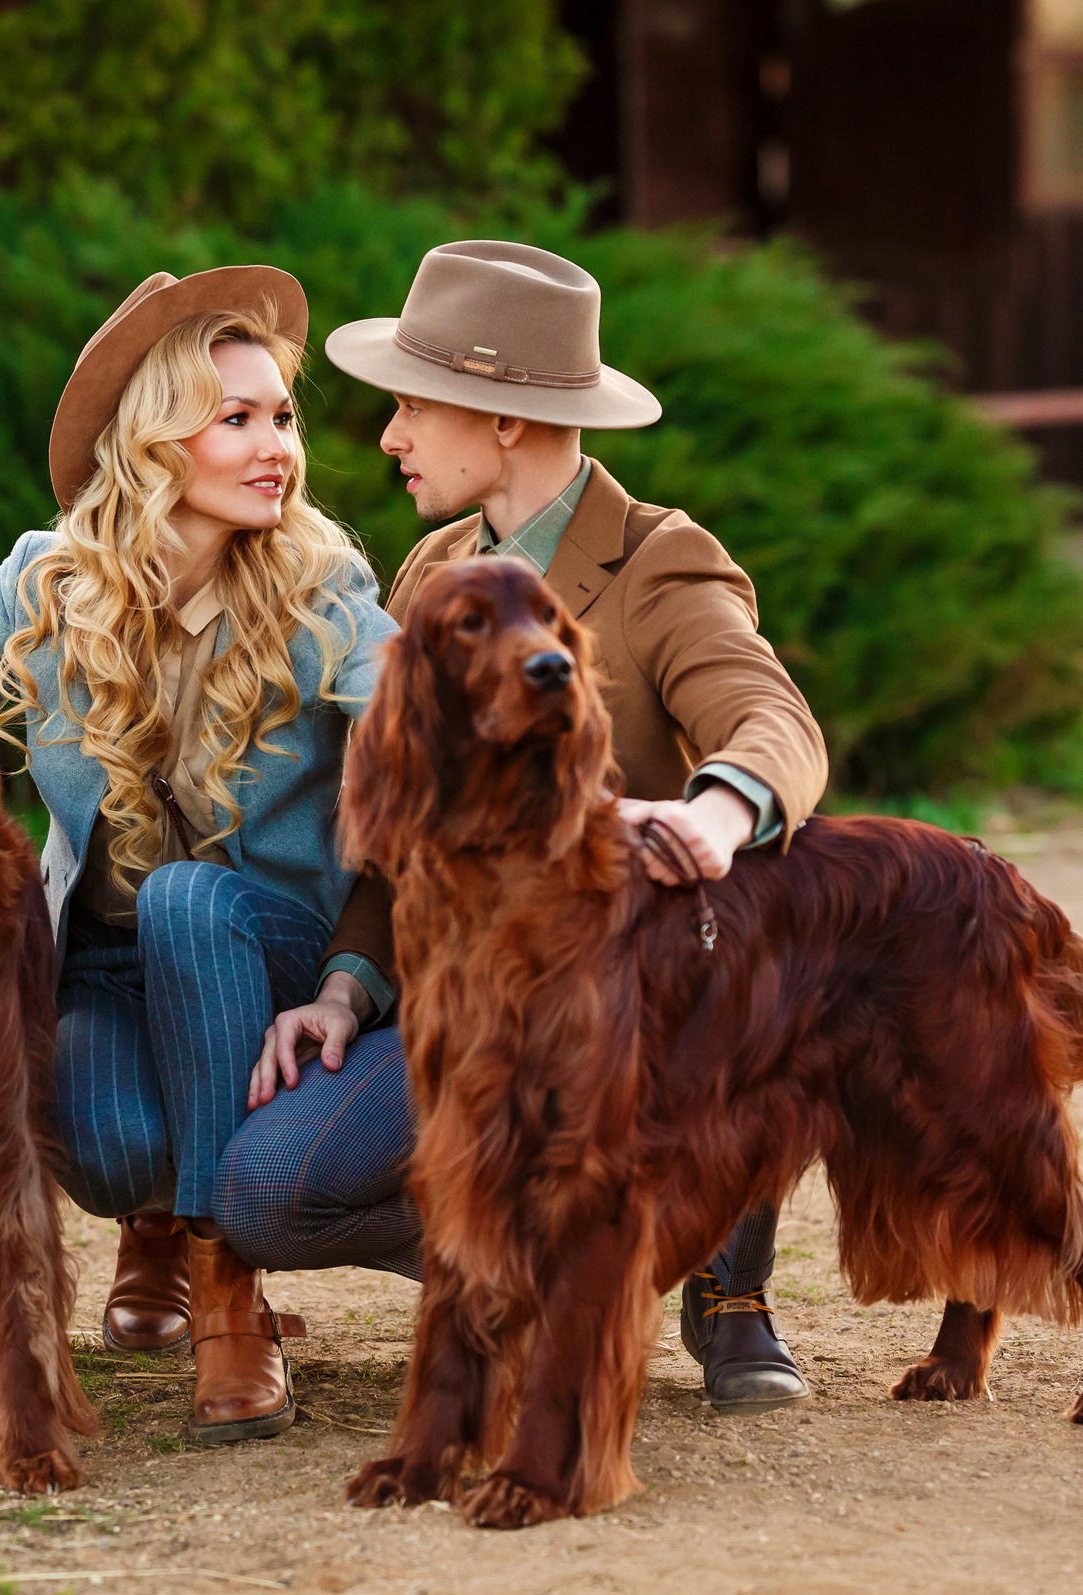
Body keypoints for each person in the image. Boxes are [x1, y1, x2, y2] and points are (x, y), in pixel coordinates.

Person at [213, 240, 831, 1414]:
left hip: (632, 1015)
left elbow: (771, 717)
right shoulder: (430, 572)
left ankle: (715, 1272)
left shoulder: (658, 559)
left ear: (500, 419)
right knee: (264, 1189)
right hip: (475, 1015)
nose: (387, 437)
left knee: (735, 979)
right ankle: (543, 1272)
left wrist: (717, 809)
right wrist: (346, 987)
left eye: (410, 405)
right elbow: (406, 830)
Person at [0, 267, 395, 1444]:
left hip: (271, 958)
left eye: (282, 417)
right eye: (234, 418)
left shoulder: (326, 580)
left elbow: (418, 703)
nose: (275, 448)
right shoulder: (45, 577)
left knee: (195, 898)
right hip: (106, 966)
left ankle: (227, 1289)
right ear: (154, 444)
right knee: (105, 1141)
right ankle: (155, 1216)